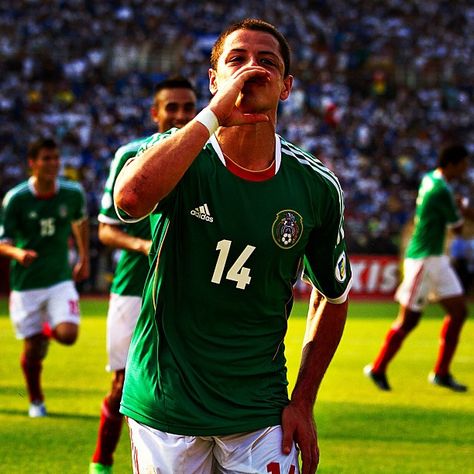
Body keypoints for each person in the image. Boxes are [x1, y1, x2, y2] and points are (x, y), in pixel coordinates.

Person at [114, 18, 352, 474]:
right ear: (214, 80)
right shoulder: (174, 155)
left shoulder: (315, 186)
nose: (252, 69)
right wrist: (213, 115)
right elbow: (129, 201)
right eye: (236, 60)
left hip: (259, 409)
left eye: (267, 61)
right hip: (167, 405)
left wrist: (302, 401)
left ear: (286, 87)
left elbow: (332, 295)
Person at [89, 77, 197, 474]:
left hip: (189, 292)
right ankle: (101, 462)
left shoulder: (211, 155)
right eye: (172, 107)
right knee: (122, 386)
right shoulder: (131, 155)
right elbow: (105, 229)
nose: (181, 115)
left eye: (188, 107)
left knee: (185, 385)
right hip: (135, 289)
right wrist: (147, 247)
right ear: (156, 113)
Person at [364, 144, 473, 392]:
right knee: (408, 320)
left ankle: (441, 372)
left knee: (459, 312)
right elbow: (457, 227)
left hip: (436, 258)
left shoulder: (430, 179)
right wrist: (463, 208)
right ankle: (378, 367)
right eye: (464, 164)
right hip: (423, 260)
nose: (466, 169)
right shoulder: (441, 190)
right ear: (454, 164)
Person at [0, 137, 89, 417]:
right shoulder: (16, 199)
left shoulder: (72, 193)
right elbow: (3, 241)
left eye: (55, 158)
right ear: (32, 163)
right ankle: (36, 399)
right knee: (32, 350)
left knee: (68, 334)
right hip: (26, 284)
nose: (52, 164)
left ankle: (47, 330)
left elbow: (80, 222)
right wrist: (18, 254)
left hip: (59, 279)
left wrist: (84, 257)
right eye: (46, 159)